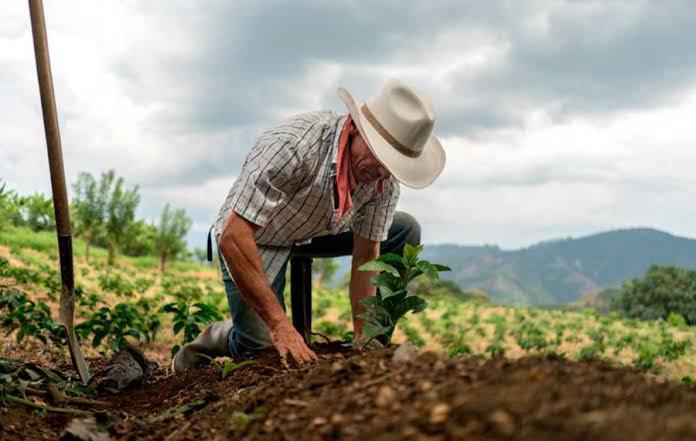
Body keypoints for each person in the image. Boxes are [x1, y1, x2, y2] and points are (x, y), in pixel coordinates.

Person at [172, 78, 446, 373]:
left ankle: (373, 343)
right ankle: (218, 336)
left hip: (319, 229)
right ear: (355, 128)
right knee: (259, 350)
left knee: (405, 229)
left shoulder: (383, 179)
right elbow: (234, 236)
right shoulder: (293, 146)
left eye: (392, 166)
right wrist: (279, 325)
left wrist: (363, 335)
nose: (382, 172)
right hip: (258, 235)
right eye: (380, 157)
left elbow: (367, 255)